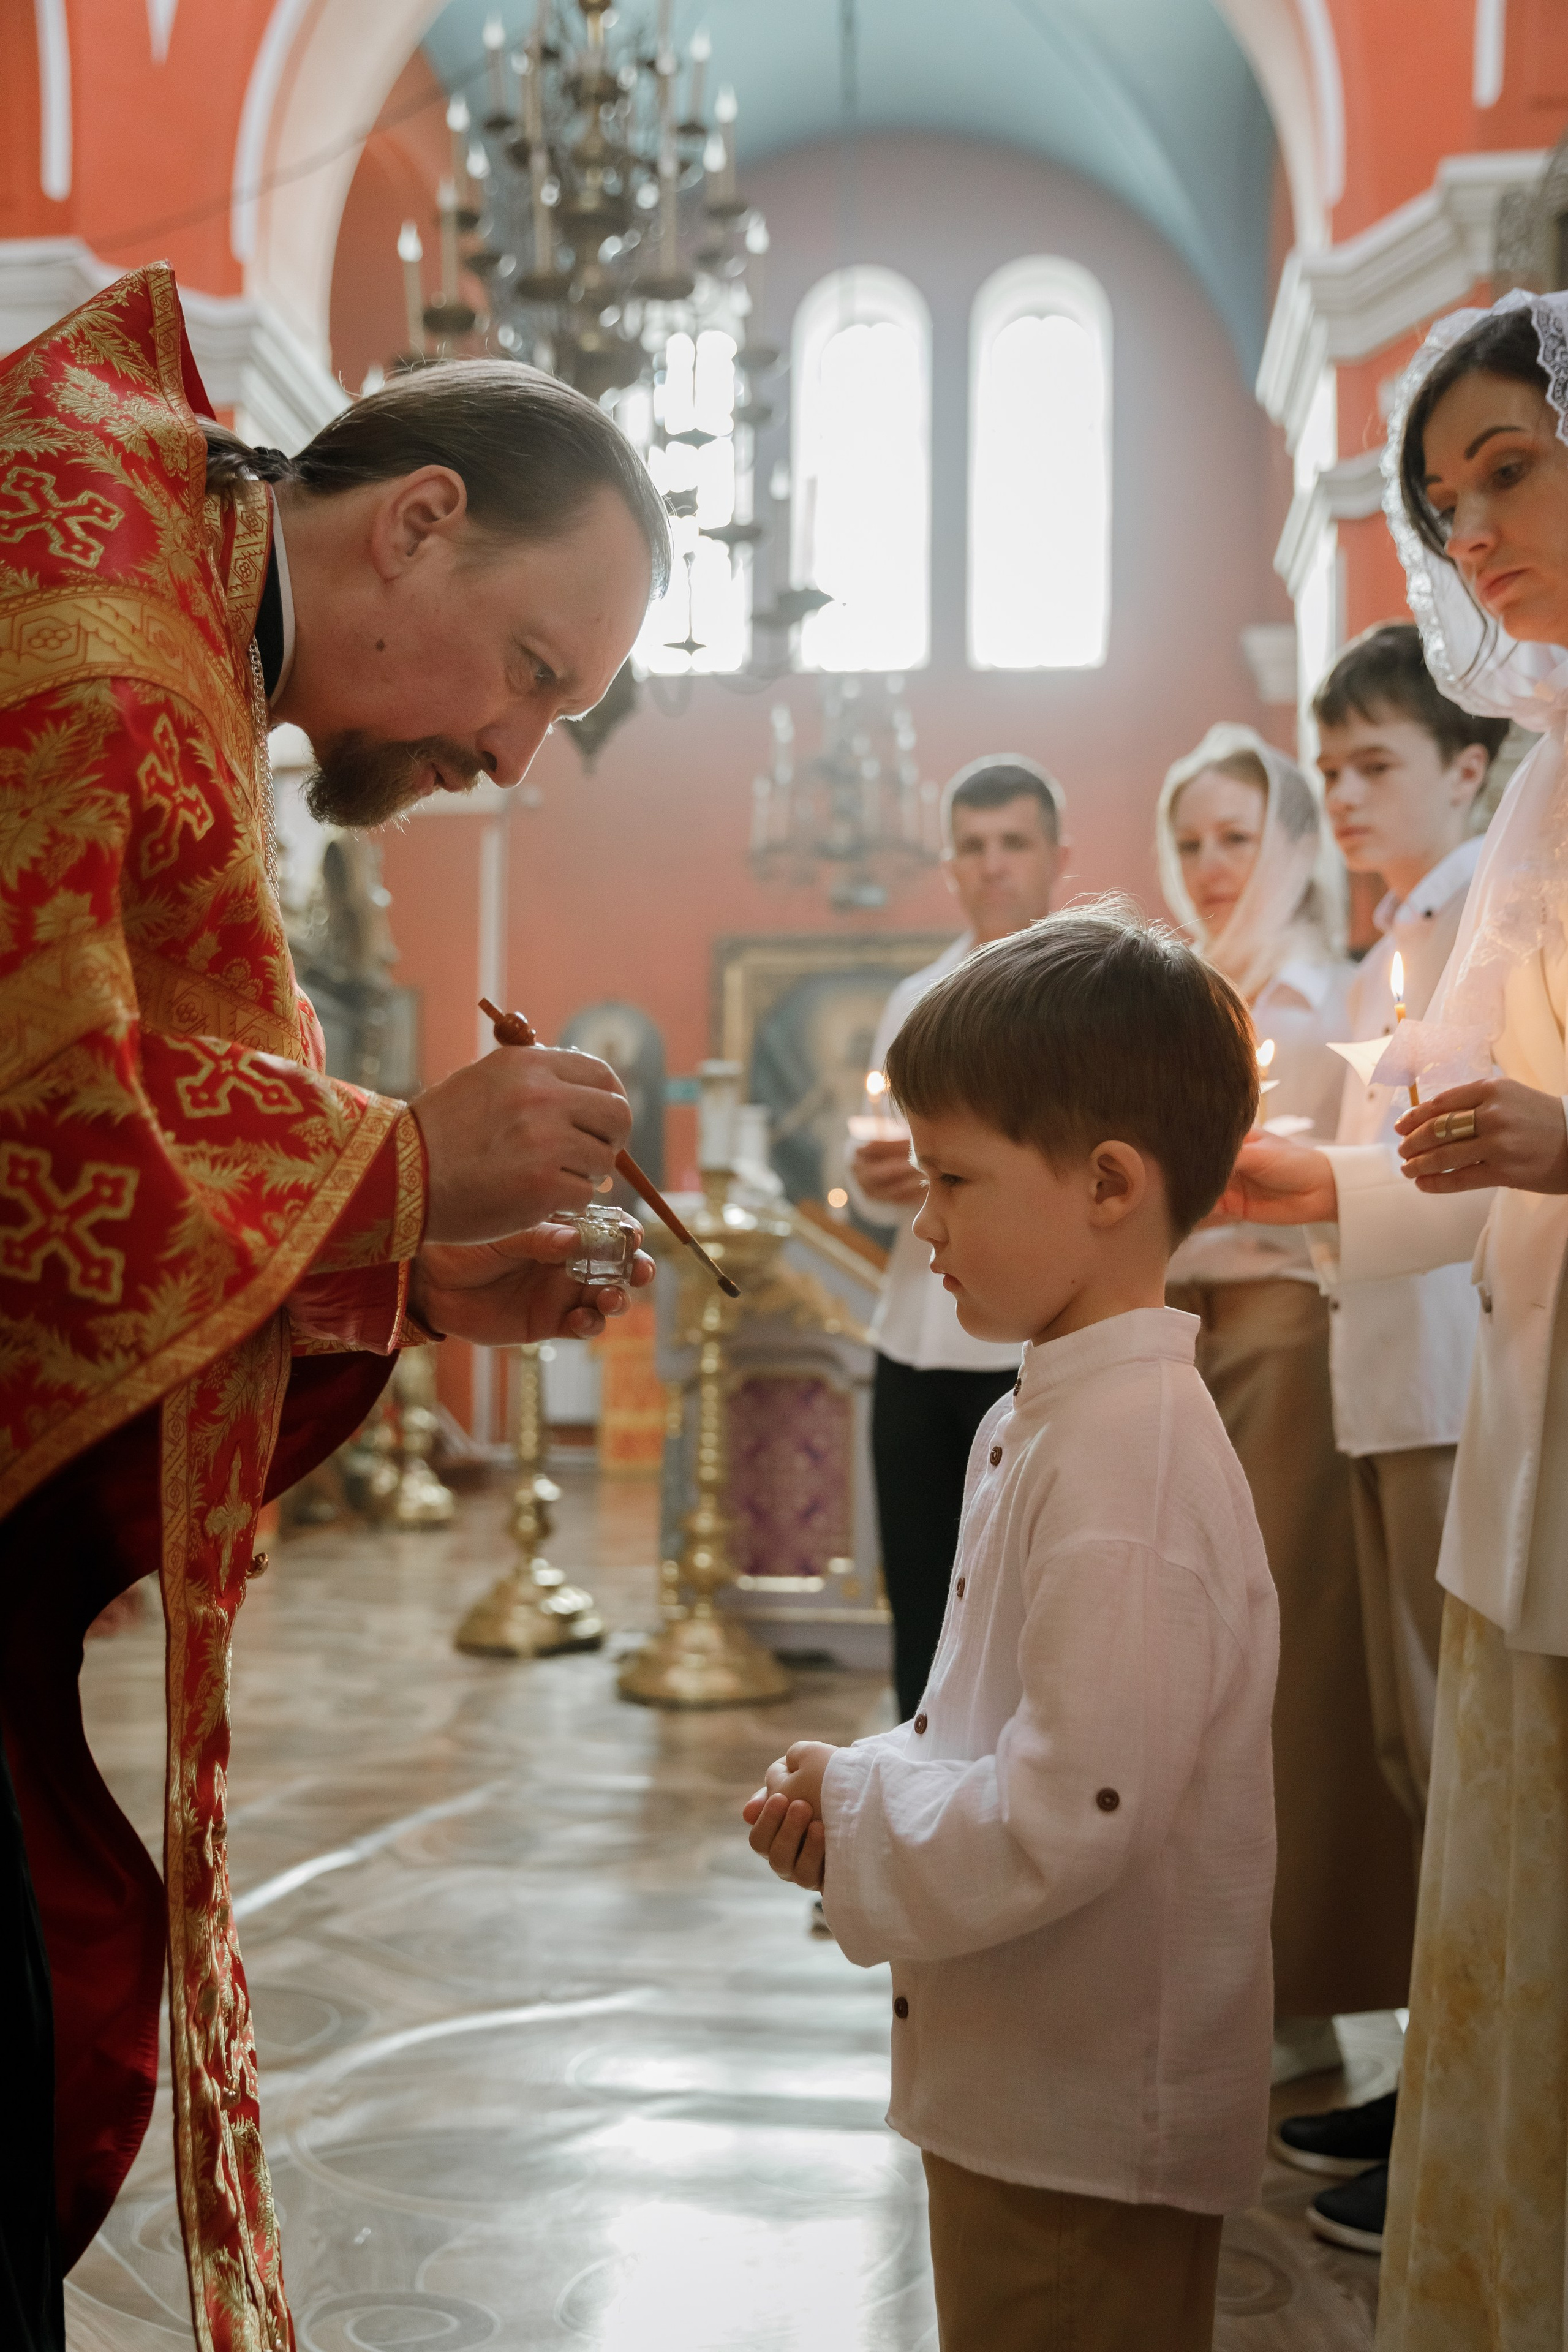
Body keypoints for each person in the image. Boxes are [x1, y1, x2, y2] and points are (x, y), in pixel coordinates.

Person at [0, 265, 668, 2347]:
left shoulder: (175, 591)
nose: (509, 751)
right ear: (416, 521)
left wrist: (415, 1264)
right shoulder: (99, 611)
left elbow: (138, 1156)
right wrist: (397, 1171)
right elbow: (46, 1114)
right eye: (533, 673)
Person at [745, 907, 1278, 2352]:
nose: (922, 1225)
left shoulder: (1124, 1464)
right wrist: (860, 1788)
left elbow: (1069, 1814)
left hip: (1086, 2114)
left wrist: (860, 1814)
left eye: (953, 1179)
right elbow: (994, 1727)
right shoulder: (1049, 1414)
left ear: (1108, 1182)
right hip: (1029, 2090)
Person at [1216, 286, 1568, 2347]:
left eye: (1509, 467)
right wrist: (1298, 1182)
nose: (1476, 536)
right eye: (1446, 507)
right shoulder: (1534, 790)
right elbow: (1454, 1148)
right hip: (1532, 1439)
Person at [1269, 625, 1506, 2250]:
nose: (1343, 796)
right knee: (1409, 1749)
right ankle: (1430, 2062)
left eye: (1378, 766)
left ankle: (1459, 2092)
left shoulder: (1488, 908)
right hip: (1381, 1372)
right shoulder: (1398, 938)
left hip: (1450, 1376)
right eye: (1332, 769)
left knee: (1451, 1744)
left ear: (1471, 768)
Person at [1156, 725, 1415, 2077]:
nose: (1207, 867)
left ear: (1293, 846)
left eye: (1234, 839)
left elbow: (1290, 1190)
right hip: (1200, 1324)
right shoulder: (1214, 981)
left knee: (1286, 1668)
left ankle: (1302, 1990)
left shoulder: (1305, 995)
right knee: (1204, 1662)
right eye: (1189, 841)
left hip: (1276, 1329)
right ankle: (1236, 1976)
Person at [845, 758, 1066, 1719]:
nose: (994, 866)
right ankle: (907, 1815)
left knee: (1029, 1609)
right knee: (924, 1595)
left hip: (1034, 1342)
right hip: (916, 1334)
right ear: (950, 865)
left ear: (1057, 854)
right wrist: (876, 1180)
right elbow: (888, 1163)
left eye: (1014, 842)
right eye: (973, 847)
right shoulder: (913, 1001)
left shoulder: (1086, 998)